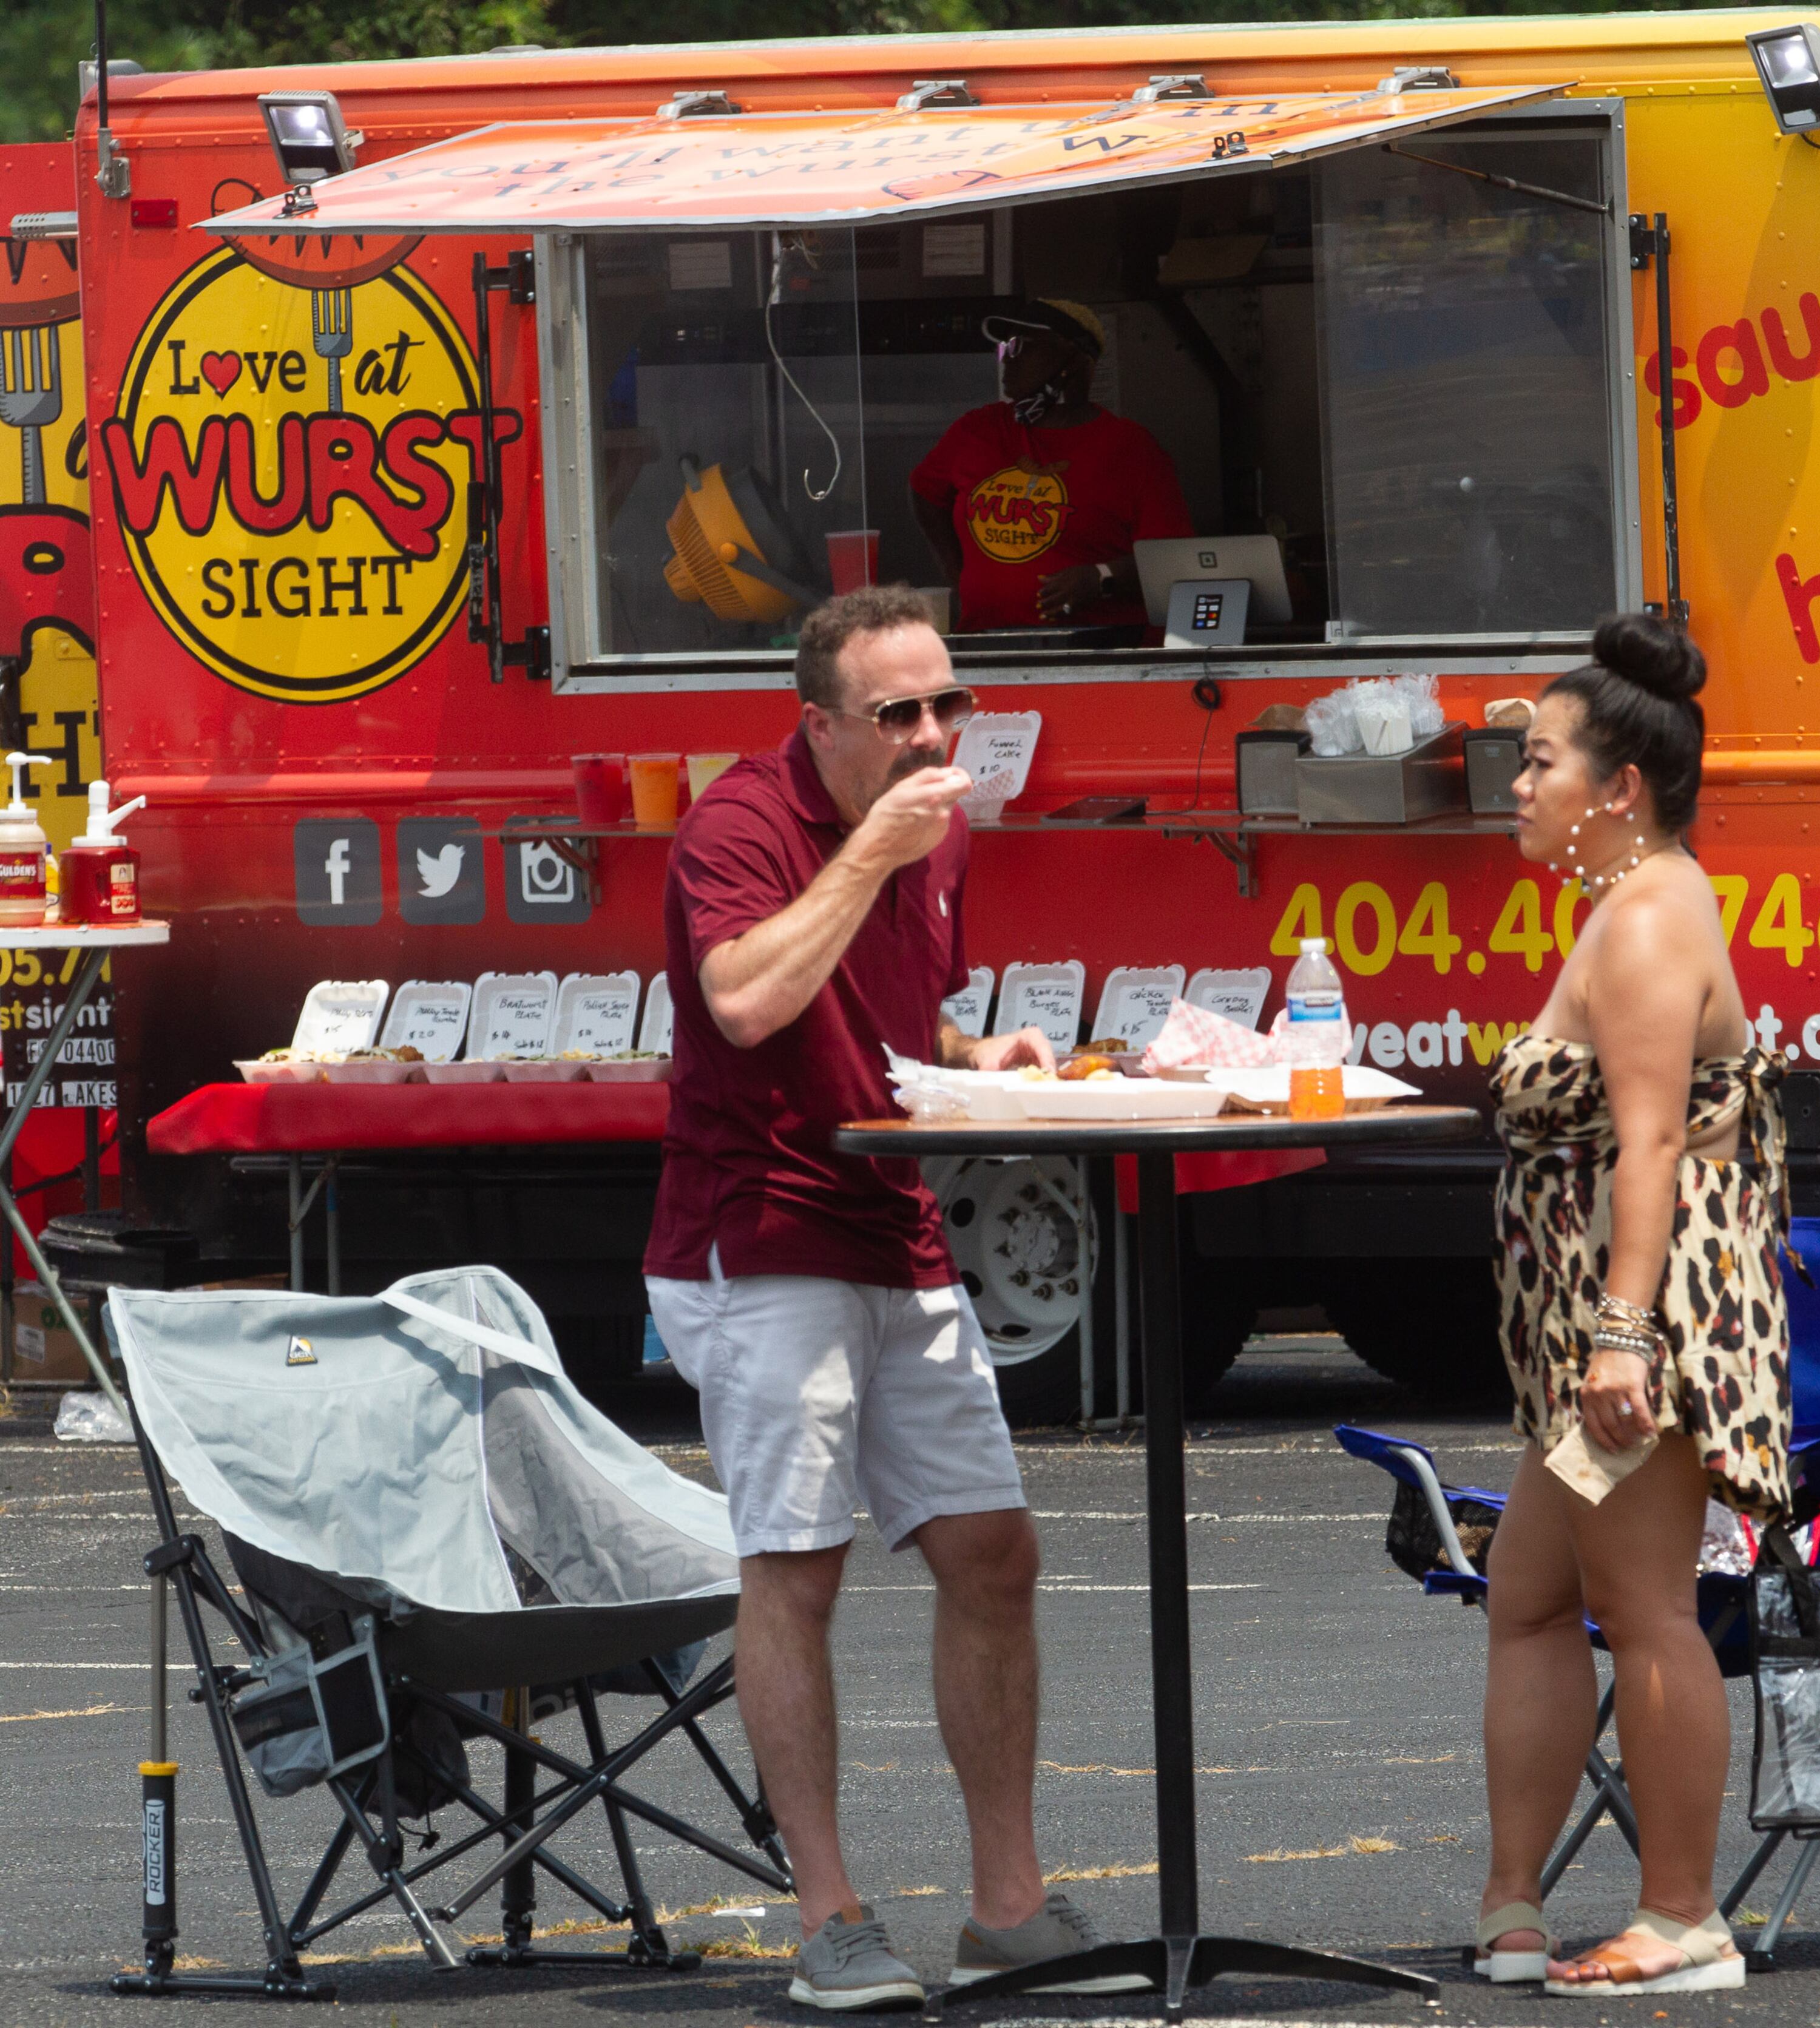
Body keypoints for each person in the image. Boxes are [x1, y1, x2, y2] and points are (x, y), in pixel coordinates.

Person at [643, 583, 1139, 2010]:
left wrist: (984, 1052)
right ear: (820, 728)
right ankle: (829, 1917)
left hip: (893, 1217)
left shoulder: (941, 827)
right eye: (897, 713)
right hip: (762, 1226)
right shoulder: (741, 822)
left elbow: (896, 1019)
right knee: (796, 1567)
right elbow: (744, 999)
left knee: (992, 1551)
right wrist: (865, 851)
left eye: (950, 706)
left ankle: (1007, 1905)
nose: (934, 736)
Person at [1472, 613, 1791, 1998]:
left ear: (1618, 787)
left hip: (1652, 1321)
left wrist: (1619, 1334)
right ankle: (1510, 1902)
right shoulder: (1627, 900)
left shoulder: (1656, 912)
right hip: (1601, 1323)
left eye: (1538, 762)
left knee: (1644, 1603)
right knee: (1529, 1596)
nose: (1517, 786)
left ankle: (1681, 1918)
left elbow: (1650, 1143)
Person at [910, 297, 1192, 632]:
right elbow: (925, 491)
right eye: (1006, 348)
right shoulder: (979, 429)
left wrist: (1102, 577)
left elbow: (1174, 564)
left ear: (1073, 362)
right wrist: (958, 574)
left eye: (1024, 348)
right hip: (985, 645)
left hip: (1097, 655)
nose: (1008, 362)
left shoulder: (1130, 448)